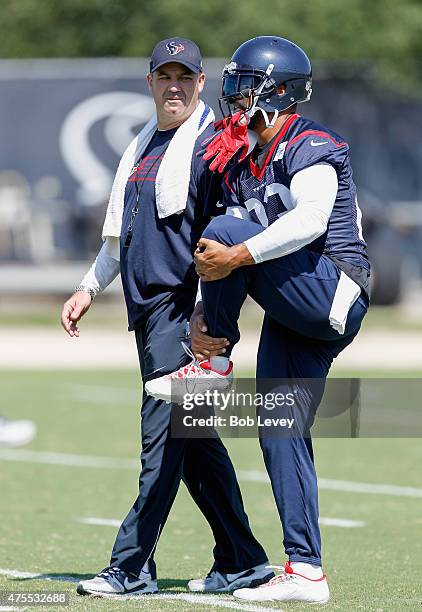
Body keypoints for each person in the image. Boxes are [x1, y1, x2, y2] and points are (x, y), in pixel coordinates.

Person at [147, 36, 370, 604]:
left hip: (333, 290)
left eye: (246, 85)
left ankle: (213, 364)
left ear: (276, 92)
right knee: (279, 427)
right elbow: (234, 260)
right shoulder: (243, 157)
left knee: (225, 233)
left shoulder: (311, 143)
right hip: (293, 307)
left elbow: (311, 221)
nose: (235, 96)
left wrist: (235, 259)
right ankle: (306, 571)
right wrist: (204, 306)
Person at [61, 38, 271, 597]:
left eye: (185, 76)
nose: (173, 85)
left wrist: (212, 315)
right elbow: (122, 235)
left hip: (186, 317)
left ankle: (130, 567)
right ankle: (243, 559)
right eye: (164, 76)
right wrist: (88, 287)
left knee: (162, 440)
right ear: (149, 82)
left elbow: (227, 237)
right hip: (150, 313)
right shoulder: (143, 146)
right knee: (194, 445)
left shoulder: (212, 146)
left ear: (201, 83)